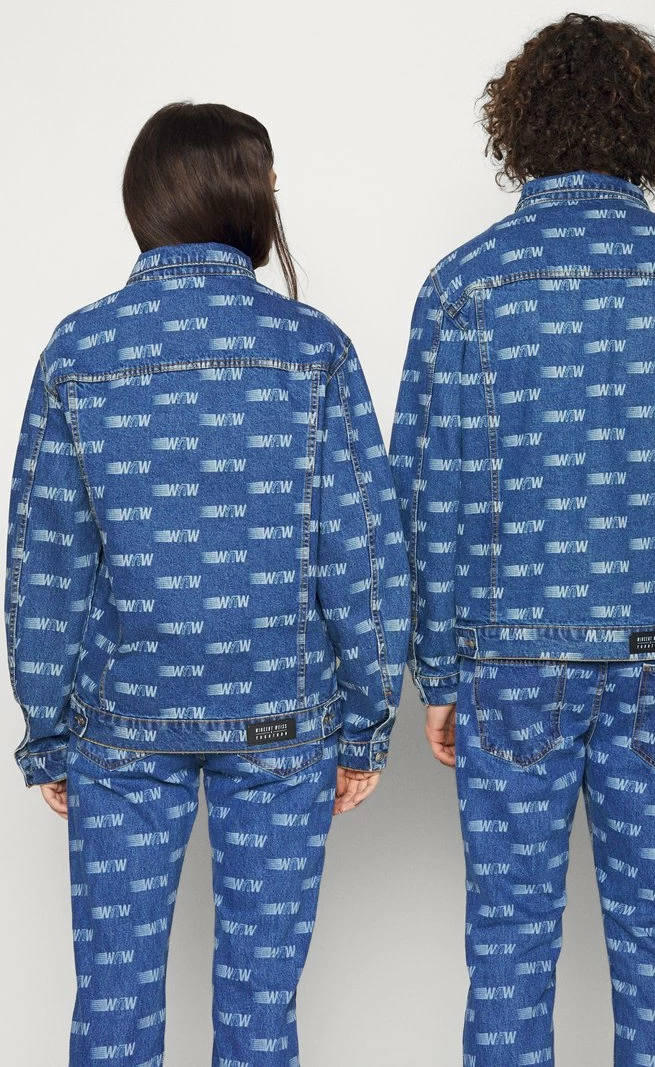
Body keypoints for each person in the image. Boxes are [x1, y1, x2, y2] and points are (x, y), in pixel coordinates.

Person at [389, 12, 655, 1065]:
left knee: (508, 948)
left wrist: (437, 669)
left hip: (509, 666)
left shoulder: (464, 285)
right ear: (649, 129)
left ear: (520, 126)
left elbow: (422, 492)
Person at [5, 101, 410, 1065]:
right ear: (244, 197)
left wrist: (47, 727)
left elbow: (44, 562)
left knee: (113, 1001)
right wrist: (365, 718)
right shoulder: (313, 348)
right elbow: (363, 551)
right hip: (281, 724)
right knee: (262, 1011)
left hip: (123, 723)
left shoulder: (79, 350)